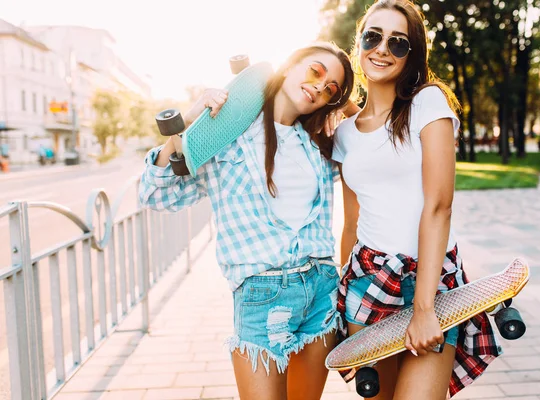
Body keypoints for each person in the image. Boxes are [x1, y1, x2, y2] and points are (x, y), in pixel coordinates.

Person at [138, 42, 355, 400]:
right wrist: (189, 124)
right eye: (315, 71)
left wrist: (342, 102)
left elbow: (378, 133)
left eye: (331, 88)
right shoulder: (227, 135)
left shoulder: (318, 144)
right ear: (289, 66)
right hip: (261, 297)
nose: (320, 86)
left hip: (320, 290)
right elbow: (155, 194)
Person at [331, 1, 502, 399]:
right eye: (372, 37)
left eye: (398, 43)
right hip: (369, 285)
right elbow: (352, 224)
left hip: (432, 284)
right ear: (359, 44)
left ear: (412, 56)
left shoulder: (428, 103)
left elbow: (439, 206)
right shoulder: (345, 135)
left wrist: (424, 309)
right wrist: (340, 313)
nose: (382, 49)